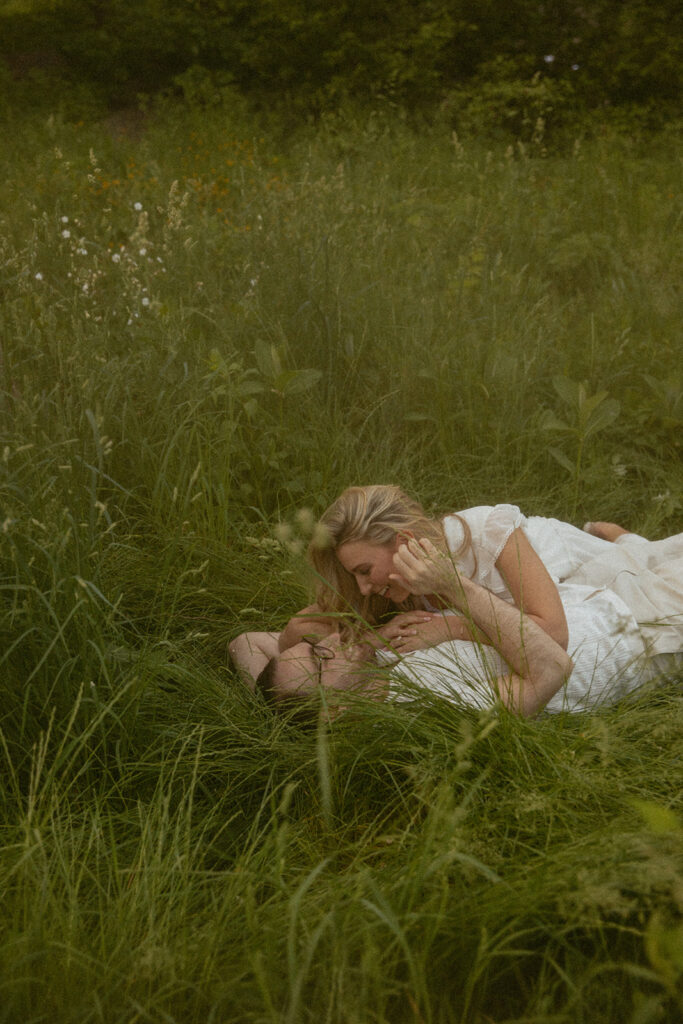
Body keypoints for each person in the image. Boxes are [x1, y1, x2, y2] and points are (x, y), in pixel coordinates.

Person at [231, 487, 681, 713]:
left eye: (365, 572)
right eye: (318, 658)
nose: (363, 589)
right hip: (585, 606)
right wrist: (285, 704)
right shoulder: (388, 602)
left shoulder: (483, 535)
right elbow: (256, 640)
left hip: (569, 569)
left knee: (640, 562)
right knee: (655, 574)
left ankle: (619, 537)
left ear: (404, 541)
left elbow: (554, 635)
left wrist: (451, 625)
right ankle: (629, 541)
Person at [229, 537, 575, 718]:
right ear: (334, 711)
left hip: (561, 606)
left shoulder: (371, 667)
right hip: (604, 633)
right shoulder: (430, 703)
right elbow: (553, 668)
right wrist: (454, 587)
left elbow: (245, 643)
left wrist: (274, 713)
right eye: (321, 658)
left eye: (314, 645)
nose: (333, 639)